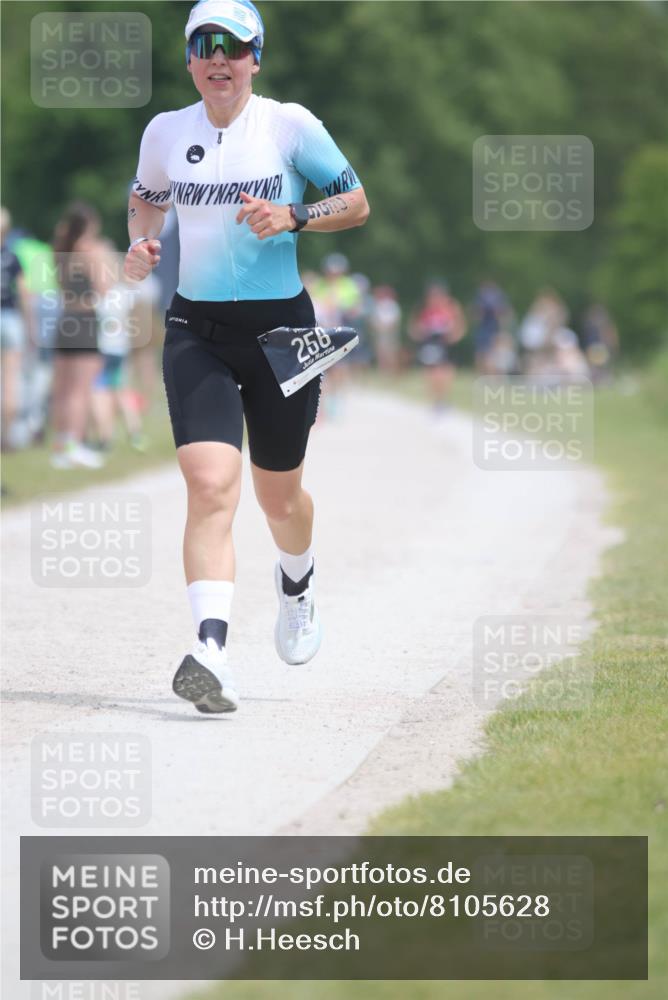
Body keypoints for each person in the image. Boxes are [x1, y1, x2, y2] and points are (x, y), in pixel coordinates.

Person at [124, 0, 369, 714]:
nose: (219, 59)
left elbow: (355, 200)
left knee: (278, 496)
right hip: (196, 328)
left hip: (281, 336)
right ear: (189, 59)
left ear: (256, 58)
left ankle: (298, 582)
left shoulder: (289, 126)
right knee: (209, 484)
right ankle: (212, 651)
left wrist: (295, 214)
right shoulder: (166, 131)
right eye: (206, 45)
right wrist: (141, 243)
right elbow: (145, 200)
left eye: (235, 47)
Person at [50, 201, 117, 469]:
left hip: (65, 319)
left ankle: (60, 446)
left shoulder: (60, 250)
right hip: (85, 320)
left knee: (63, 391)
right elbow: (104, 288)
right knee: (80, 390)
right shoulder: (90, 252)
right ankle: (74, 446)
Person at [1, 207, 34, 450]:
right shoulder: (12, 257)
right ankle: (6, 437)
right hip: (10, 320)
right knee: (11, 381)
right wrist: (30, 326)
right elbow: (24, 294)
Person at [409, 280, 466, 415]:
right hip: (430, 344)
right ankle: (436, 400)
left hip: (445, 344)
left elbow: (459, 325)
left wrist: (454, 336)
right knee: (432, 373)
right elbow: (414, 327)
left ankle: (443, 399)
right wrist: (420, 333)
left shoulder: (451, 307)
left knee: (446, 372)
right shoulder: (424, 308)